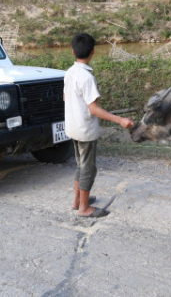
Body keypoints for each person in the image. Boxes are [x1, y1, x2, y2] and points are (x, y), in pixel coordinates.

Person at [64, 33, 134, 218]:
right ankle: (84, 208)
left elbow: (65, 97)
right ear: (93, 52)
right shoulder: (87, 77)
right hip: (84, 130)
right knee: (88, 168)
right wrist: (120, 120)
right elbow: (93, 109)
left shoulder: (70, 73)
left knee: (80, 165)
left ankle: (77, 201)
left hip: (72, 127)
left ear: (73, 51)